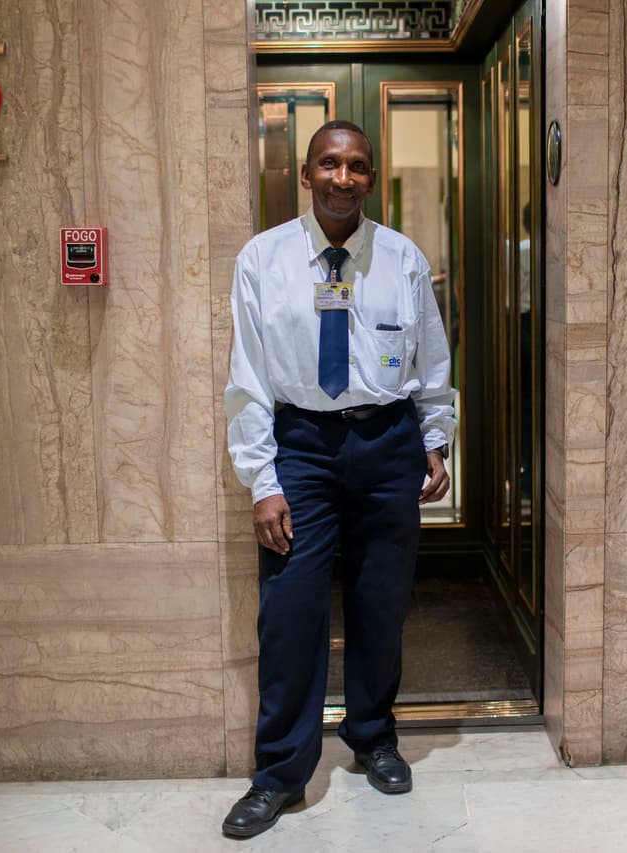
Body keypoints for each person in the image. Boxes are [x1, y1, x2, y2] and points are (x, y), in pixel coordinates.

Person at [221, 120, 456, 838]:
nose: (343, 177)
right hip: (302, 447)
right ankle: (279, 773)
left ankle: (373, 736)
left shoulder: (404, 259)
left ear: (371, 177)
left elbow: (432, 359)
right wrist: (262, 479)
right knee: (291, 612)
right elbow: (249, 380)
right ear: (306, 173)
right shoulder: (263, 259)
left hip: (388, 443)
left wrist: (435, 439)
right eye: (330, 164)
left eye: (357, 166)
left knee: (381, 603)